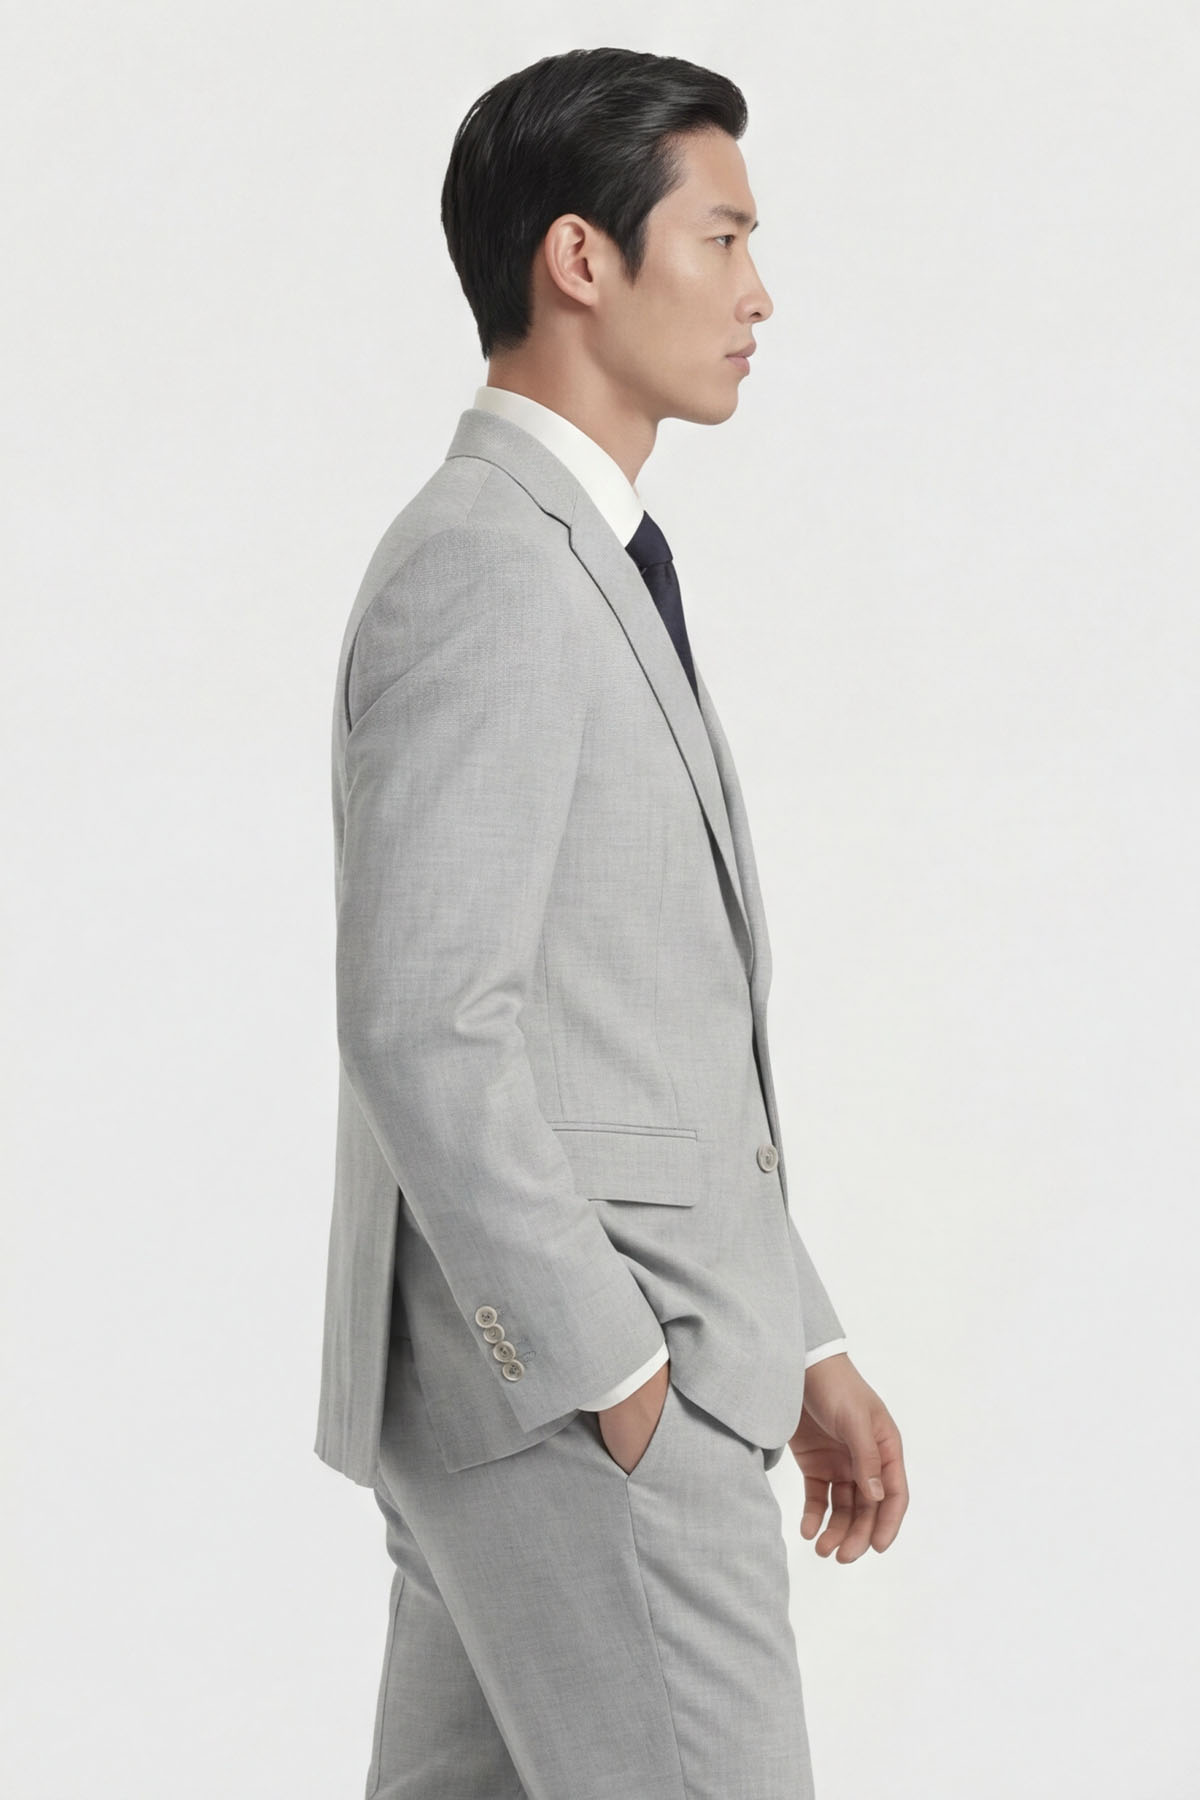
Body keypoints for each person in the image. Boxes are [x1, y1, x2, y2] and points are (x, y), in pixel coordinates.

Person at [314, 45, 909, 1800]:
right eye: (722, 238)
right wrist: (614, 1373)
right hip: (585, 1408)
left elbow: (634, 1028)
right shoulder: (493, 564)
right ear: (581, 257)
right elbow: (425, 1021)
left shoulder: (576, 555)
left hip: (556, 1399)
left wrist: (800, 1333)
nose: (758, 291)